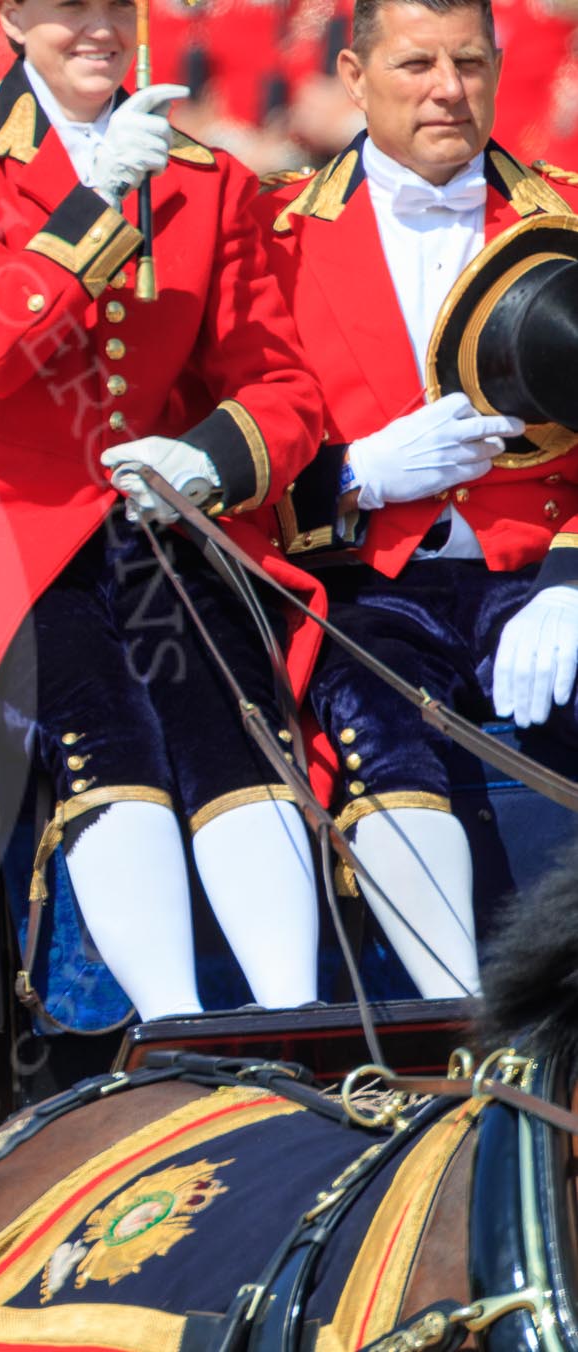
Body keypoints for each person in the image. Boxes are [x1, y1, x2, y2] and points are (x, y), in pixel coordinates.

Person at [0, 0, 330, 1019]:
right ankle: (173, 1022)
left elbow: (282, 390)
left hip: (157, 521)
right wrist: (90, 204)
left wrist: (203, 458)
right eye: (71, 9)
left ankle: (293, 1022)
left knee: (231, 721)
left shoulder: (207, 178)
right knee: (98, 726)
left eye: (117, 7)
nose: (100, 29)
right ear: (15, 18)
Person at [254, 0, 578, 998]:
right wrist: (352, 476)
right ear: (352, 74)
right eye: (417, 63)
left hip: (537, 579)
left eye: (470, 62)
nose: (448, 88)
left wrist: (575, 572)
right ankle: (455, 1026)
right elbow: (226, 446)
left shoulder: (565, 217)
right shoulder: (269, 232)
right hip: (362, 589)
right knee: (378, 743)